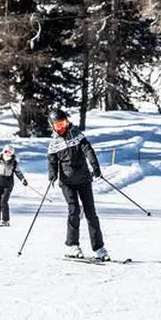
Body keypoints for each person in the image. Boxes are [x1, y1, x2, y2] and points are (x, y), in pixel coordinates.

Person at [47, 108, 110, 260]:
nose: (61, 128)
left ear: (67, 122)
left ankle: (99, 248)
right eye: (57, 125)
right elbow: (52, 161)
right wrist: (52, 174)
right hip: (67, 182)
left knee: (91, 213)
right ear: (53, 126)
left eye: (63, 123)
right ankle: (72, 245)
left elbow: (89, 151)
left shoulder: (77, 135)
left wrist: (95, 167)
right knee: (73, 210)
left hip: (83, 180)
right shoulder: (54, 143)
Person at [0, 144, 28, 227]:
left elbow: (18, 172)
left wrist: (23, 179)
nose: (7, 154)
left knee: (4, 202)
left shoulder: (14, 162)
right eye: (6, 151)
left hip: (8, 183)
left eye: (9, 152)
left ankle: (5, 220)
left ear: (12, 153)